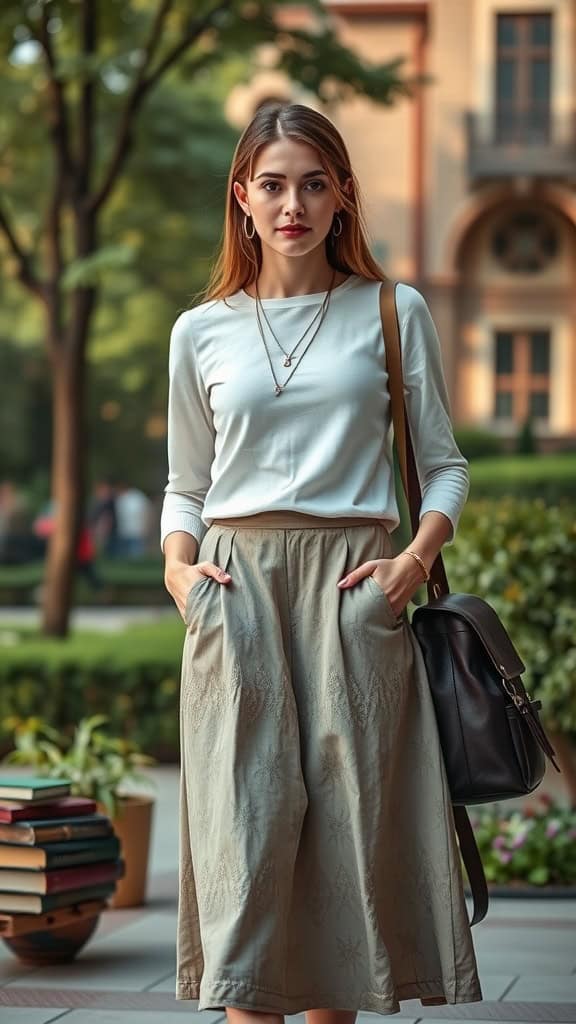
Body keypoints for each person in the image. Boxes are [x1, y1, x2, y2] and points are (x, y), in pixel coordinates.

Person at [161, 103, 482, 1020]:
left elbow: (445, 465)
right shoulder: (202, 330)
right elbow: (186, 483)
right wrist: (181, 573)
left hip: (355, 587)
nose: (291, 203)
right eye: (272, 184)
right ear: (242, 198)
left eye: (312, 182)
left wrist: (412, 563)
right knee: (246, 840)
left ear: (343, 195)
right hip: (236, 589)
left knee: (349, 849)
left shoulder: (391, 309)